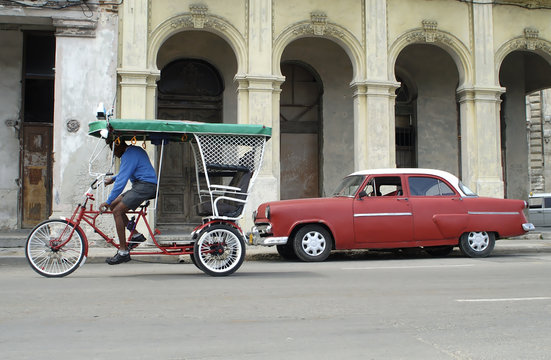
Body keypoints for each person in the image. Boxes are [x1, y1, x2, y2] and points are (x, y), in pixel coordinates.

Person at [100, 139, 158, 265]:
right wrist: (114, 179)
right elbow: (126, 171)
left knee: (117, 210)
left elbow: (122, 180)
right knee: (114, 206)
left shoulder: (128, 154)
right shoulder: (133, 151)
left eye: (114, 150)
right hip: (141, 185)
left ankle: (123, 251)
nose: (114, 154)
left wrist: (108, 200)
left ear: (119, 146)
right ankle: (136, 235)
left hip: (145, 186)